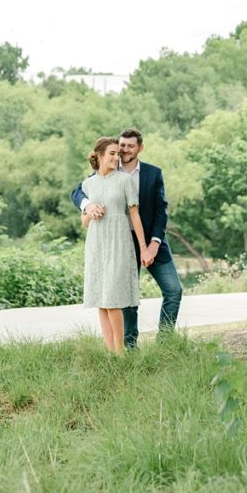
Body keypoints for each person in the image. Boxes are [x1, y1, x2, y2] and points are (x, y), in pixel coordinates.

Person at [71, 127, 183, 348]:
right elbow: (77, 192)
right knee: (124, 300)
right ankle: (129, 347)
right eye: (121, 146)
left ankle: (166, 342)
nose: (124, 150)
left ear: (140, 148)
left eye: (130, 146)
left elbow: (161, 213)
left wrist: (150, 245)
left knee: (174, 290)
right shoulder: (104, 172)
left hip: (150, 241)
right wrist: (88, 206)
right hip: (117, 241)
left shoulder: (152, 173)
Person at [80, 136, 152, 354]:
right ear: (100, 156)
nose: (116, 157)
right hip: (96, 244)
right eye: (111, 153)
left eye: (117, 154)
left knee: (112, 300)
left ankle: (120, 354)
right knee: (101, 302)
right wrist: (90, 211)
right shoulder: (88, 184)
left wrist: (143, 246)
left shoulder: (124, 180)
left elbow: (134, 215)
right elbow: (84, 222)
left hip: (119, 243)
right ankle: (109, 352)